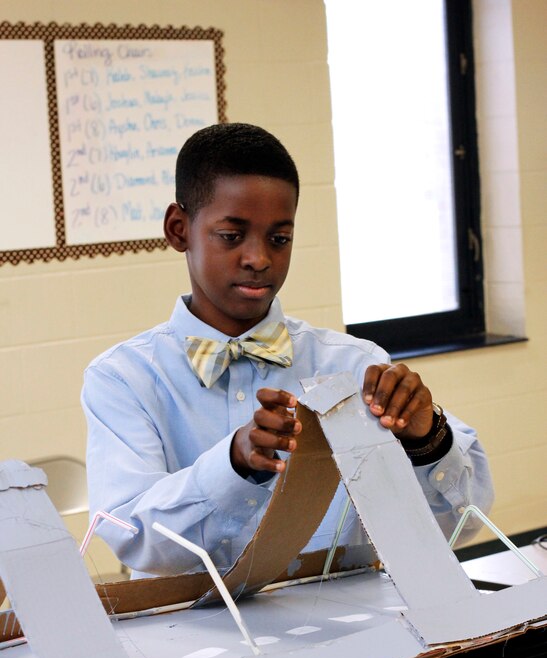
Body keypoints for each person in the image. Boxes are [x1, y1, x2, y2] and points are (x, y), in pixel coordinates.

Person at [82, 123, 494, 578]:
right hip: (189, 642)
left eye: (279, 239)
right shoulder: (123, 378)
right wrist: (233, 464)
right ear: (179, 229)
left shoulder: (355, 364)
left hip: (349, 631)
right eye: (231, 236)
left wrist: (426, 439)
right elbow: (132, 538)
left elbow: (462, 524)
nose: (259, 258)